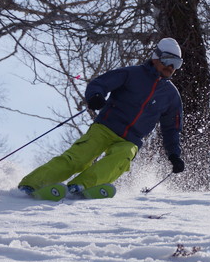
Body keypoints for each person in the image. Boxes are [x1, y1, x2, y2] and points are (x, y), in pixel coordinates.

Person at [18, 37, 186, 197]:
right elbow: (99, 84)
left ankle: (83, 185)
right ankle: (32, 184)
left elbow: (171, 128)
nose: (171, 67)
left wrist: (174, 155)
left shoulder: (171, 95)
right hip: (105, 127)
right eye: (168, 60)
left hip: (131, 139)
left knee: (122, 157)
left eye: (176, 64)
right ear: (156, 57)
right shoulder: (132, 74)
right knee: (78, 158)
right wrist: (95, 96)